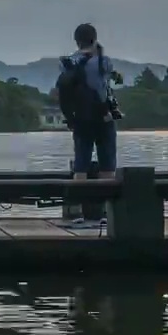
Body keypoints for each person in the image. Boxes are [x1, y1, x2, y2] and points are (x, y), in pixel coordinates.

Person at [54, 23, 123, 229]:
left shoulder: (67, 63)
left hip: (80, 120)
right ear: (94, 38)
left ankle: (81, 215)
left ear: (76, 40)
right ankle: (105, 213)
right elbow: (110, 80)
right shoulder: (104, 61)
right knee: (107, 166)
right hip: (103, 119)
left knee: (81, 166)